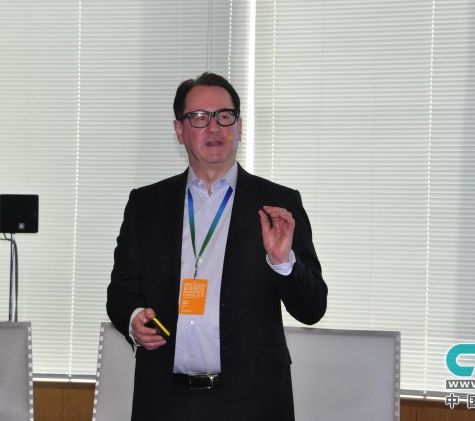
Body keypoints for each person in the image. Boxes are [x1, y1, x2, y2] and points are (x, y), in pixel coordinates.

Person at [107, 72, 327, 421]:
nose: (214, 127)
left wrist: (283, 261)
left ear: (239, 127)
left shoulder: (277, 204)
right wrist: (134, 319)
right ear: (180, 131)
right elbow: (120, 291)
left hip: (252, 402)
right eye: (199, 117)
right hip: (164, 400)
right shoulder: (147, 204)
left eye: (225, 116)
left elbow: (312, 308)